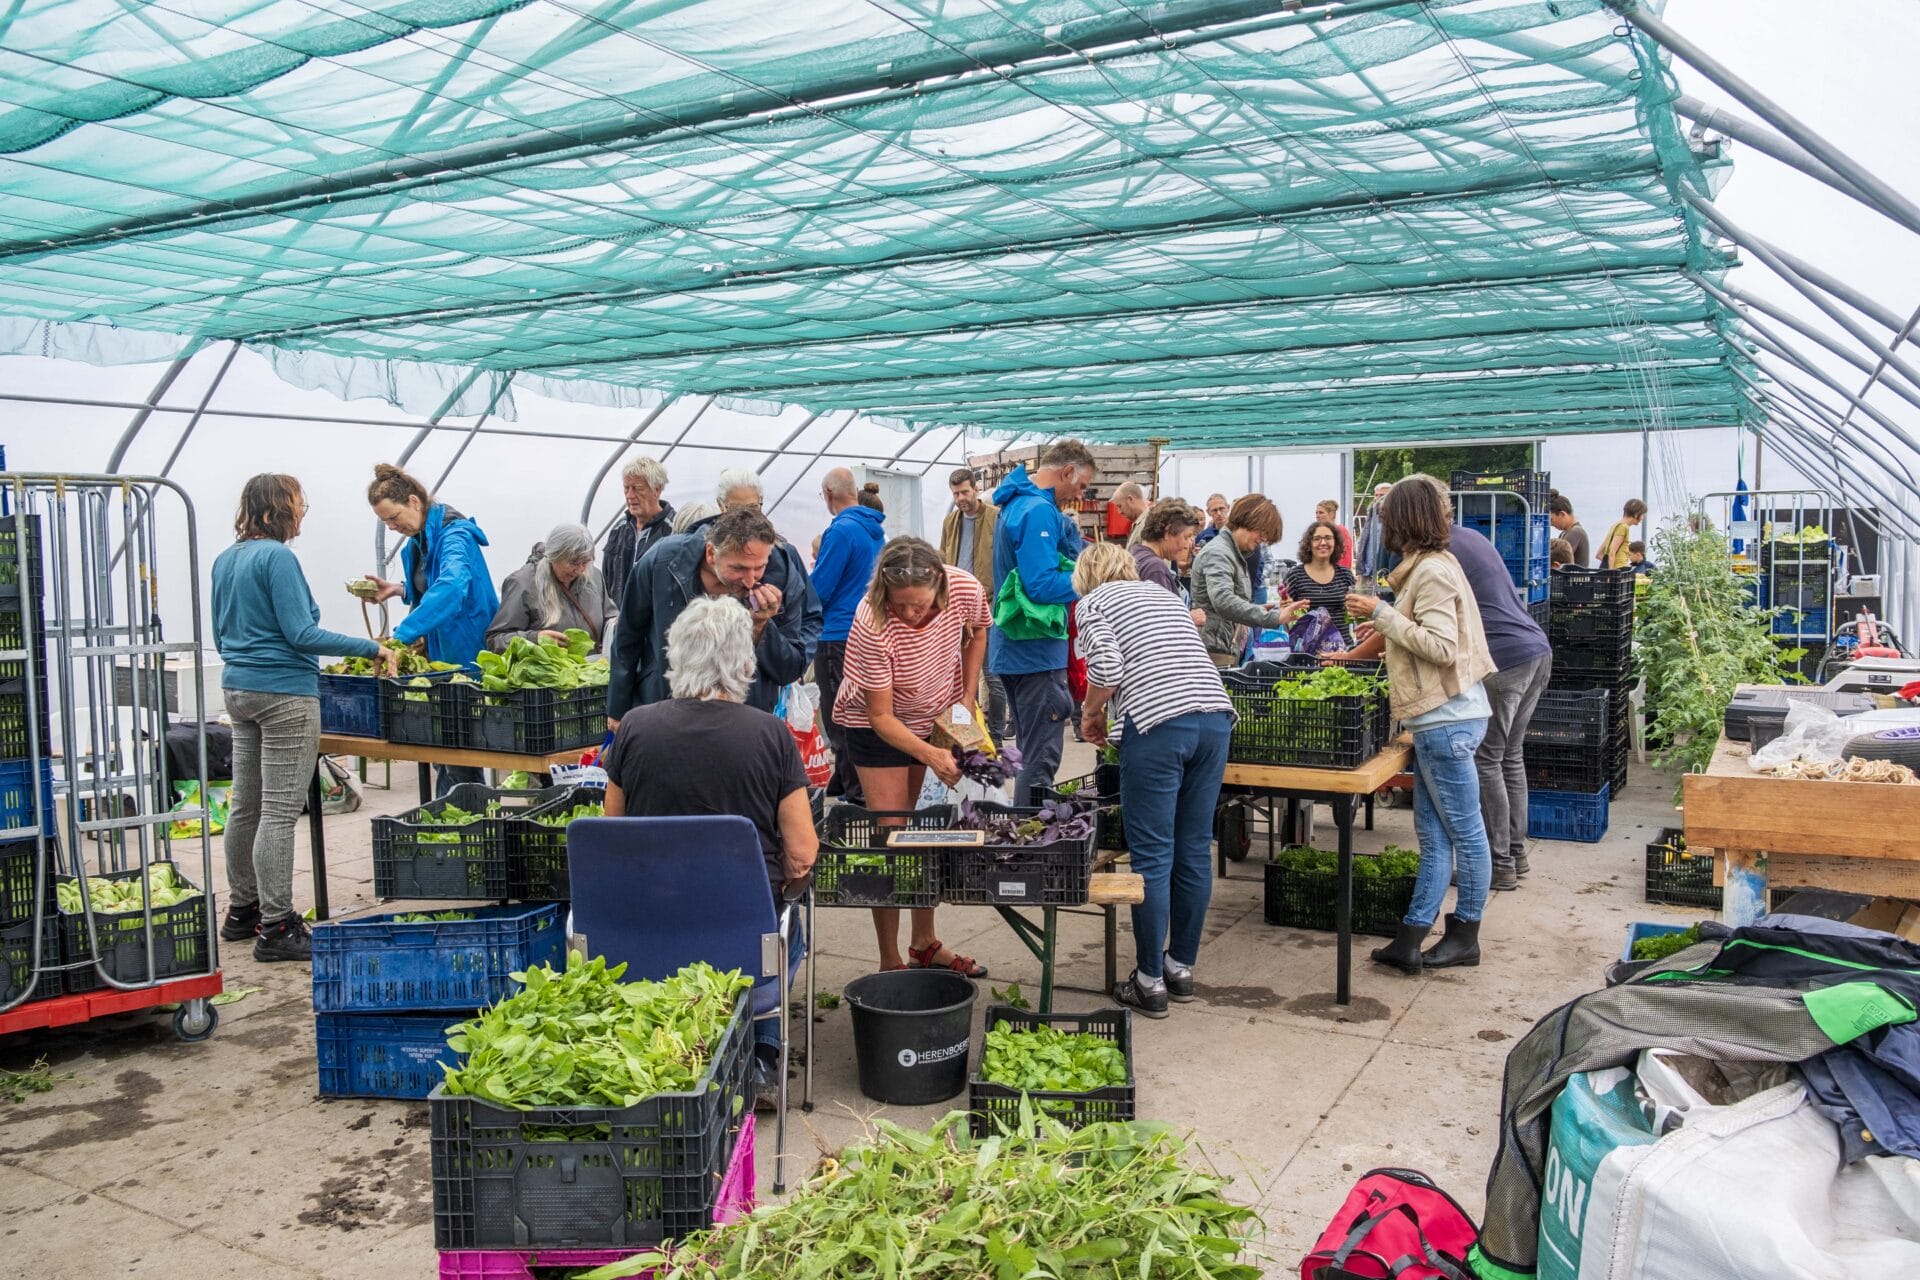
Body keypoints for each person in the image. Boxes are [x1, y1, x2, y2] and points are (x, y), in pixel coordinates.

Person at [601, 596, 818, 1105]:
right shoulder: (771, 733)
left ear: (676, 656)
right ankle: (762, 1054)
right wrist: (784, 876)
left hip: (643, 932)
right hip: (740, 936)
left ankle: (671, 1045)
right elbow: (803, 851)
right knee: (790, 925)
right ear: (745, 662)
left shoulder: (633, 726)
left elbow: (613, 834)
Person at [212, 475, 399, 961]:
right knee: (277, 811)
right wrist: (370, 646)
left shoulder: (226, 559)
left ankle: (242, 911)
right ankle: (276, 927)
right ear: (280, 508)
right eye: (299, 503)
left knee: (245, 806)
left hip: (239, 688)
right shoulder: (278, 558)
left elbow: (222, 631)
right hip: (284, 694)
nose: (304, 511)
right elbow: (300, 634)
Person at [1072, 543, 1234, 1018]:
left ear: (1086, 577)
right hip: (1215, 718)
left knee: (1152, 855)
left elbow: (1106, 668)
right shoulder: (1164, 595)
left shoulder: (1093, 603)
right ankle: (1180, 968)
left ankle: (1148, 980)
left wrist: (1091, 712)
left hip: (1159, 724)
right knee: (1193, 847)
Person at [1344, 477, 1497, 975]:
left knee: (1467, 834)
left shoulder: (1431, 571)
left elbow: (1442, 648)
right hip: (1440, 720)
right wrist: (1385, 626)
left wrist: (1384, 615)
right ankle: (1410, 939)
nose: (1381, 525)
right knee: (1434, 837)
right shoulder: (1427, 568)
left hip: (1446, 720)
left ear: (1405, 519)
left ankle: (1465, 936)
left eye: (1387, 515)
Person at [834, 538, 992, 977]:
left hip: (937, 712)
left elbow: (979, 630)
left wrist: (965, 695)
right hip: (877, 729)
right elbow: (881, 716)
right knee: (893, 837)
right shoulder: (871, 620)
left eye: (918, 605)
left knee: (928, 829)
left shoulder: (964, 587)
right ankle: (890, 961)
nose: (909, 614)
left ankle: (925, 943)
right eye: (900, 605)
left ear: (939, 583)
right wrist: (930, 755)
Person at [606, 507, 823, 723]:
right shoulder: (662, 562)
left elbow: (789, 669)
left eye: (759, 567)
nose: (750, 580)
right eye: (738, 568)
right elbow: (627, 637)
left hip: (743, 719)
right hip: (667, 709)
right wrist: (617, 710)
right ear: (711, 553)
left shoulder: (780, 569)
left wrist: (760, 626)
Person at [362, 463, 498, 792]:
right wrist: (397, 589)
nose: (392, 527)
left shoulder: (456, 536)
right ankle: (451, 823)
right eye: (385, 522)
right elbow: (428, 587)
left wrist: (401, 637)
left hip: (470, 656)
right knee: (445, 752)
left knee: (459, 754)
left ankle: (470, 827)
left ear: (414, 501)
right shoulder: (419, 542)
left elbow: (451, 588)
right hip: (442, 659)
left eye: (394, 518)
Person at [988, 439, 1095, 802]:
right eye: (1080, 486)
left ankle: (1022, 840)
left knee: (1029, 749)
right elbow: (1040, 584)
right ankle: (1027, 848)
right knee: (1039, 759)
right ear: (1066, 472)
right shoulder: (1036, 510)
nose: (1078, 496)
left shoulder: (1017, 503)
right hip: (1034, 652)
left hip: (1015, 649)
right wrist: (1091, 579)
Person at [810, 467, 887, 802]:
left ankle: (856, 796)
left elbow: (820, 589)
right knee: (861, 710)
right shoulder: (874, 530)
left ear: (828, 494)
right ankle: (847, 784)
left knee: (839, 716)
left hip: (837, 634)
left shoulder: (840, 530)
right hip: (867, 629)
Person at [1190, 495, 1303, 666]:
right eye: (1263, 533)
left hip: (1223, 647)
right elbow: (1223, 601)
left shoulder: (1233, 553)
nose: (1263, 539)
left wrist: (1255, 609)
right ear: (1248, 521)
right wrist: (1273, 617)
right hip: (1214, 651)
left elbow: (1225, 601)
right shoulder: (1219, 553)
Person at [940, 468, 1006, 739]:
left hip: (987, 603)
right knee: (957, 674)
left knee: (991, 675)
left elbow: (1003, 561)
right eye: (956, 494)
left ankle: (997, 737)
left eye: (965, 492)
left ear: (976, 489)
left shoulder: (995, 518)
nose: (961, 498)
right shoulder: (950, 522)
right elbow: (943, 559)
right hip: (956, 606)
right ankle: (968, 734)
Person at [487, 523, 615, 653]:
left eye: (586, 562)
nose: (580, 570)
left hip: (590, 671)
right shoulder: (522, 584)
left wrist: (619, 624)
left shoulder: (594, 576)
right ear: (554, 556)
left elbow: (610, 619)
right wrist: (535, 639)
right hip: (548, 672)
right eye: (574, 562)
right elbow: (495, 640)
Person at [601, 456, 674, 605]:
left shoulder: (673, 530)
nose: (630, 495)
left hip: (655, 623)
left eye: (638, 488)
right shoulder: (619, 529)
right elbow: (606, 580)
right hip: (619, 620)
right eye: (626, 488)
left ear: (657, 490)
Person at [1130, 499, 1206, 623]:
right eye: (1186, 537)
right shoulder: (1155, 569)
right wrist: (1190, 618)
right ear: (1167, 532)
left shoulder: (1137, 555)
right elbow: (1161, 623)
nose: (1189, 544)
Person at [1284, 520, 1356, 646]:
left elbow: (1355, 610)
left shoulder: (1345, 575)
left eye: (1328, 538)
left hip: (1342, 648)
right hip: (1308, 649)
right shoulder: (1295, 575)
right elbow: (1286, 612)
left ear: (1335, 542)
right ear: (1309, 544)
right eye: (1317, 538)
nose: (1323, 543)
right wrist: (1287, 606)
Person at [1355, 481, 1394, 579]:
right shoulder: (1371, 515)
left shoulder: (1396, 519)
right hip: (1367, 571)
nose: (1378, 498)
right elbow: (1364, 540)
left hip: (1384, 573)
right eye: (1376, 495)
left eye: (1382, 495)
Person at [1598, 499, 1646, 570]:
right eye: (1642, 514)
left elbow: (1599, 554)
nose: (1643, 518)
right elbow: (1612, 552)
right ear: (1636, 514)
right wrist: (1612, 572)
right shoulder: (1623, 527)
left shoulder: (1615, 526)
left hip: (1615, 569)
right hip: (1620, 569)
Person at [1548, 493, 1590, 569]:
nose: (1551, 524)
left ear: (1562, 514)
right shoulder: (1565, 533)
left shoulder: (1575, 532)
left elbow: (1557, 557)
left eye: (1551, 519)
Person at [1316, 499, 1355, 570]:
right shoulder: (1318, 531)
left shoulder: (1340, 530)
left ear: (1331, 514)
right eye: (1317, 513)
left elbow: (1345, 556)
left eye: (1321, 513)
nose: (1317, 516)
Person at [1109, 481, 1149, 545]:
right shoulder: (1138, 523)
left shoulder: (1148, 525)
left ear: (1130, 499)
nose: (1119, 512)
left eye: (1120, 506)